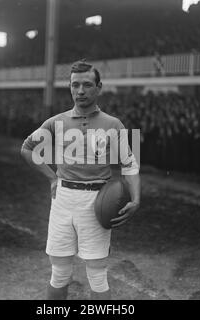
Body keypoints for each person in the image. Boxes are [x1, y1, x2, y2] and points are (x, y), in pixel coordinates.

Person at [20, 60, 141, 300]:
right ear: (70, 88)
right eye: (75, 85)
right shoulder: (56, 121)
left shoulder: (113, 124)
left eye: (87, 84)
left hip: (97, 201)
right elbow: (27, 148)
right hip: (63, 199)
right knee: (59, 272)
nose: (81, 91)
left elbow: (129, 165)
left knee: (97, 275)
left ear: (99, 87)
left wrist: (136, 199)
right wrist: (52, 178)